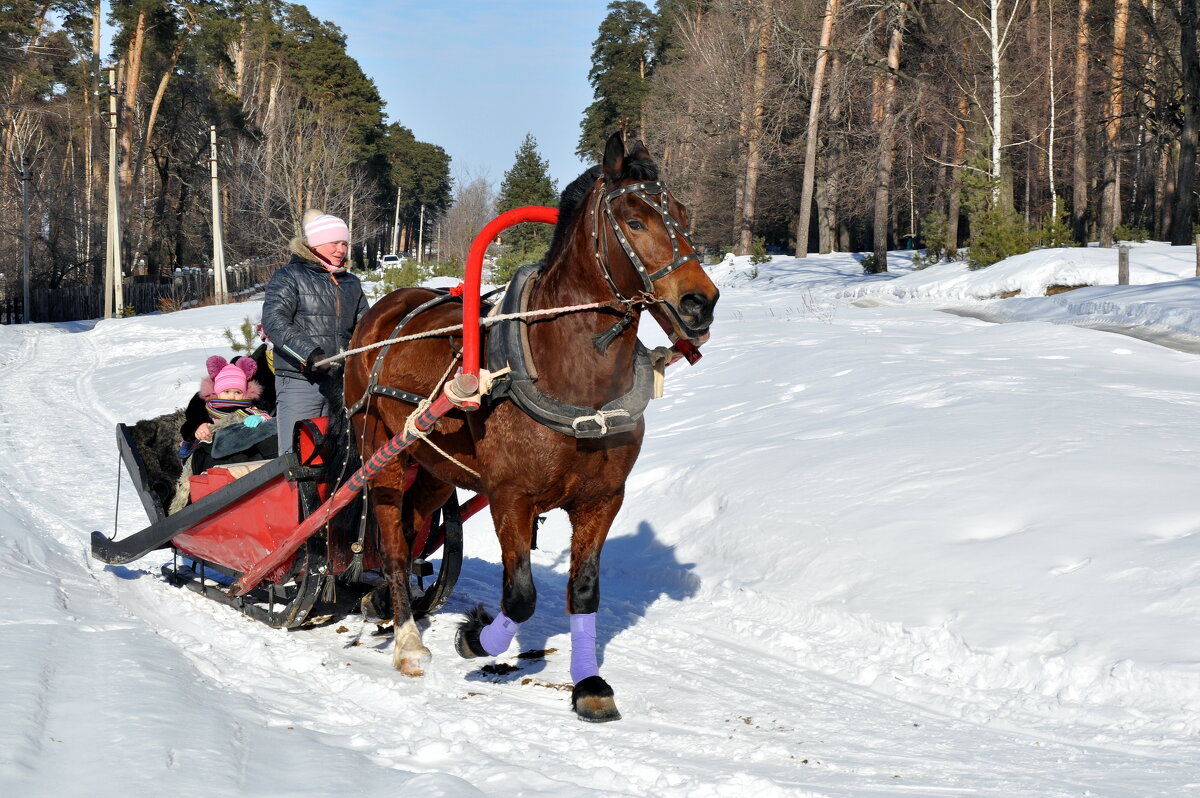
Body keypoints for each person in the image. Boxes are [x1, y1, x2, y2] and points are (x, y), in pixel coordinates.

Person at [262, 209, 368, 453]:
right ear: (316, 244)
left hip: (340, 382)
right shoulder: (290, 276)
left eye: (344, 243)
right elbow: (274, 321)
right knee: (298, 456)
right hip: (300, 379)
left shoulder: (351, 283)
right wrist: (311, 354)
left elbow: (364, 326)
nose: (341, 250)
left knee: (338, 457)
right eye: (334, 243)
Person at [170, 356, 277, 513]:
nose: (232, 396)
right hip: (218, 448)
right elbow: (193, 427)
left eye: (237, 392)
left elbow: (267, 418)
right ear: (218, 391)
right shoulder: (208, 410)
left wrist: (260, 417)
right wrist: (202, 427)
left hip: (244, 447)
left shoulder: (250, 409)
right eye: (227, 391)